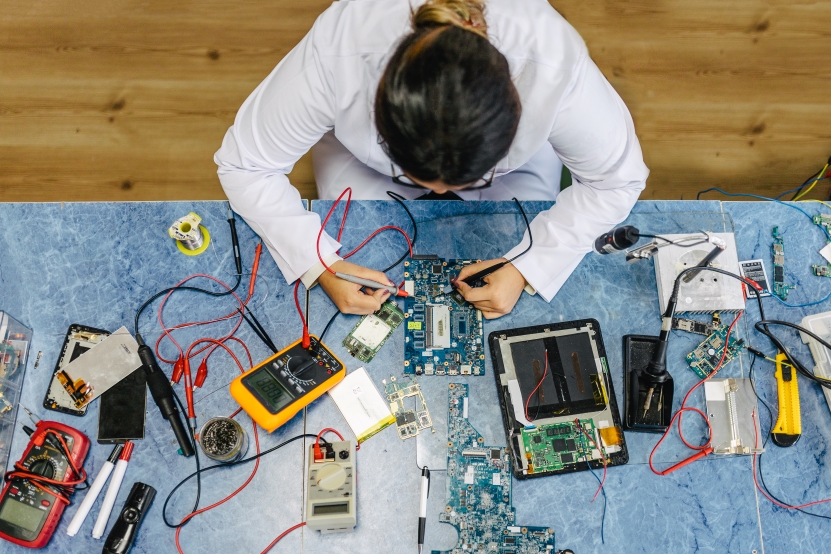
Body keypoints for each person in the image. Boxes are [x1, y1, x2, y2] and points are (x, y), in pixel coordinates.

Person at [215, 0, 648, 319]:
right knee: (354, 236)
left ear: (516, 115)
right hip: (363, 167)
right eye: (416, 172)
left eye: (467, 179)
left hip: (514, 177)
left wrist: (531, 264)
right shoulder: (340, 50)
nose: (441, 193)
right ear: (379, 114)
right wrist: (317, 260)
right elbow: (246, 165)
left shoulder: (552, 60)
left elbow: (617, 179)